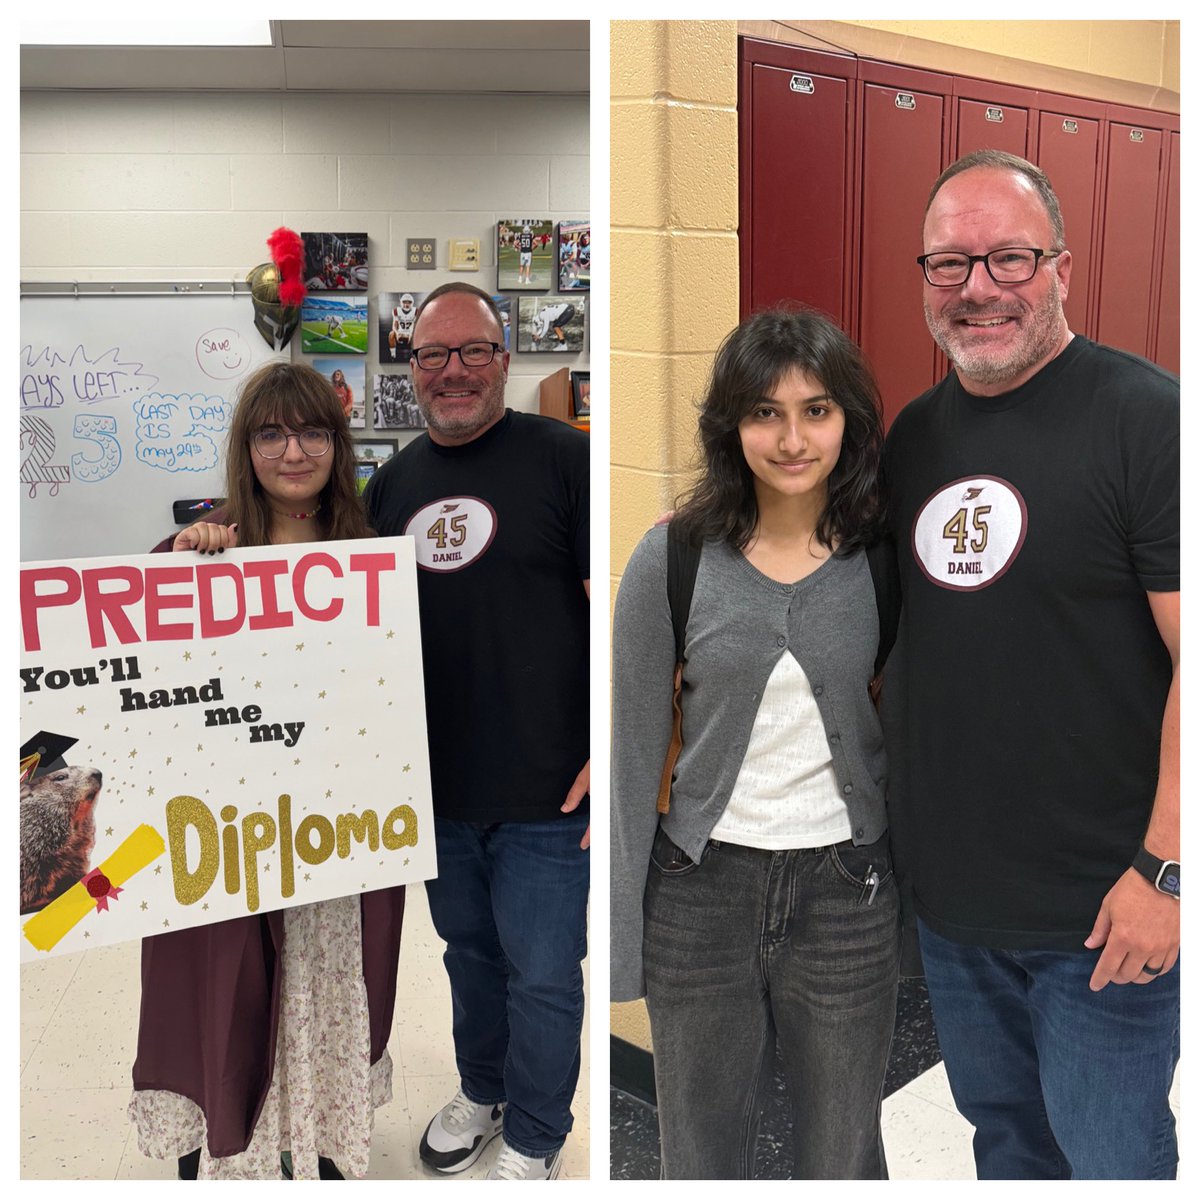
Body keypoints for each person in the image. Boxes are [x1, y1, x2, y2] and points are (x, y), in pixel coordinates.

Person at [882, 149, 1180, 1180]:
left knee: (1113, 1157)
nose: (978, 289)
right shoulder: (914, 439)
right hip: (959, 912)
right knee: (1007, 1147)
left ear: (1061, 267)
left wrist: (1167, 872)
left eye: (1008, 258)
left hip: (1102, 913)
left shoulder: (1149, 419)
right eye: (949, 264)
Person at [611, 307, 900, 1179]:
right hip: (701, 893)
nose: (791, 438)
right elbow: (627, 754)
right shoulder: (672, 558)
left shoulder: (883, 560)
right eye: (764, 413)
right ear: (730, 426)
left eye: (816, 410)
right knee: (699, 1151)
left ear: (847, 420)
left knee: (841, 1151)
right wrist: (623, 939)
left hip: (848, 893)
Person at [129, 361, 407, 1180]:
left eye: (313, 431)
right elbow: (144, 679)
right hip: (230, 832)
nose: (294, 451)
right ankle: (228, 1136)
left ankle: (319, 1137)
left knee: (323, 982)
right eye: (272, 433)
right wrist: (183, 563)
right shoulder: (201, 552)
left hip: (330, 832)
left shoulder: (368, 559)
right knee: (230, 986)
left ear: (338, 442)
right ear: (247, 447)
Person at [362, 282, 589, 1181]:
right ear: (411, 369)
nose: (452, 373)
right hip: (440, 792)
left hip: (546, 795)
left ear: (505, 359)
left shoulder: (561, 459)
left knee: (541, 976)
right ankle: (482, 1089)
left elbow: (613, 614)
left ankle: (535, 1134)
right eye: (432, 356)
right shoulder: (391, 486)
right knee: (468, 957)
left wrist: (605, 748)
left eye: (472, 353)